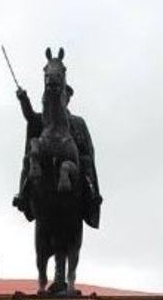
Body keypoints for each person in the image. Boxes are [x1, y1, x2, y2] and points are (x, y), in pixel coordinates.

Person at [12, 84, 102, 228]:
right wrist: (24, 99)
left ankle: (91, 193)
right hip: (44, 157)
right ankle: (23, 193)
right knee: (28, 158)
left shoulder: (77, 121)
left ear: (67, 99)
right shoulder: (43, 119)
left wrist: (77, 143)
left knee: (86, 161)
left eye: (63, 96)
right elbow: (29, 115)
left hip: (74, 160)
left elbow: (86, 146)